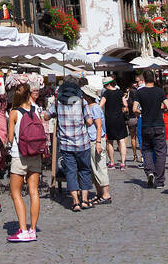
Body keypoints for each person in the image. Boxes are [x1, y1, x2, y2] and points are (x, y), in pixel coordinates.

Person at [6, 81, 43, 241]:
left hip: (19, 156)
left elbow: (9, 138)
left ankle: (22, 230)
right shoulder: (37, 111)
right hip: (35, 155)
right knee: (34, 191)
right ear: (29, 95)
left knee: (15, 192)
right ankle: (33, 229)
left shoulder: (14, 113)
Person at [53, 76, 95, 212]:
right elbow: (89, 122)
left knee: (70, 172)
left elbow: (47, 115)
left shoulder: (57, 102)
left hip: (66, 144)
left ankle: (75, 202)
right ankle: (84, 200)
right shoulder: (81, 101)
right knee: (84, 170)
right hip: (82, 143)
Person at [135, 70, 168, 187]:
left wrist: (143, 111)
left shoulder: (139, 92)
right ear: (154, 78)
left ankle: (149, 171)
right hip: (159, 124)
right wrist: (159, 109)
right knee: (160, 152)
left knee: (147, 150)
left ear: (144, 79)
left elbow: (134, 109)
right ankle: (159, 181)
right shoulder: (160, 91)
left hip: (146, 125)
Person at [86, 84, 111, 204]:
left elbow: (99, 126)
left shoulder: (94, 107)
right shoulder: (89, 106)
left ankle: (106, 194)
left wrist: (98, 142)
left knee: (100, 166)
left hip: (96, 140)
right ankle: (99, 193)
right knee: (94, 168)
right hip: (91, 140)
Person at [102, 77, 128, 170]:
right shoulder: (120, 92)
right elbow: (125, 104)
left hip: (109, 119)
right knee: (121, 141)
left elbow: (101, 105)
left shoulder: (106, 93)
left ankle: (112, 163)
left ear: (108, 84)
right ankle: (123, 163)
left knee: (110, 141)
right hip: (120, 119)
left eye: (104, 85)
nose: (104, 87)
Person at [125, 80, 142, 165]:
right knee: (140, 138)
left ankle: (135, 155)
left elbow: (126, 110)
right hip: (138, 118)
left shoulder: (128, 101)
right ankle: (142, 155)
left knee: (133, 138)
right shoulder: (138, 99)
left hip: (131, 119)